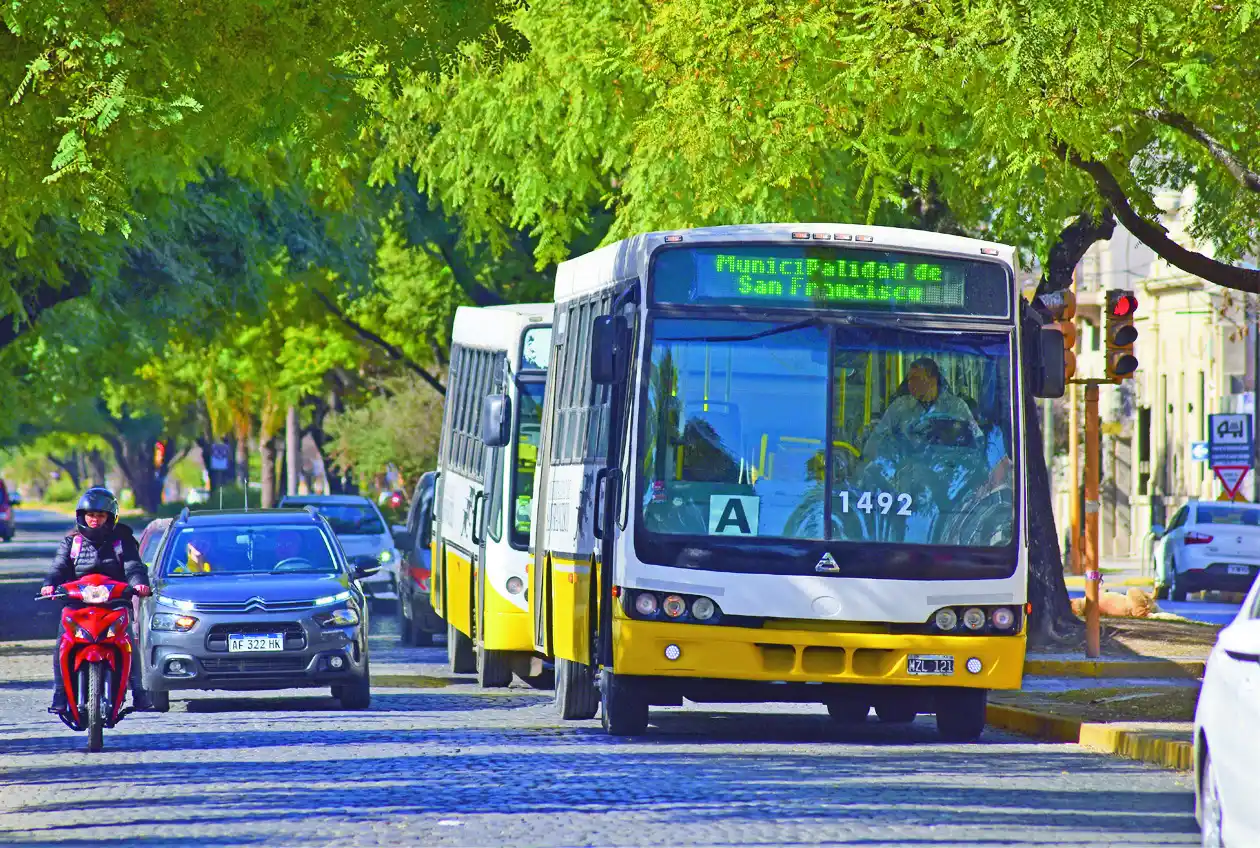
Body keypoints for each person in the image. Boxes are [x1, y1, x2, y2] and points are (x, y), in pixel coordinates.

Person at [40, 487, 153, 712]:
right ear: (82, 517)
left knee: (128, 641)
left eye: (100, 516)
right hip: (77, 604)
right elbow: (59, 567)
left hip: (114, 604)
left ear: (110, 518)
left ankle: (139, 692)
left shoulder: (124, 540)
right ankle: (60, 693)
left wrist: (139, 583)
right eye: (90, 515)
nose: (94, 520)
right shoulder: (71, 543)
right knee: (63, 642)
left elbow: (133, 566)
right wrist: (49, 584)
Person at [861, 358, 982, 459]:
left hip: (947, 476)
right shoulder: (899, 407)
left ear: (932, 380)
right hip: (907, 475)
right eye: (909, 379)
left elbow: (977, 442)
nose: (910, 384)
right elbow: (876, 441)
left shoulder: (957, 407)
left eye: (916, 379)